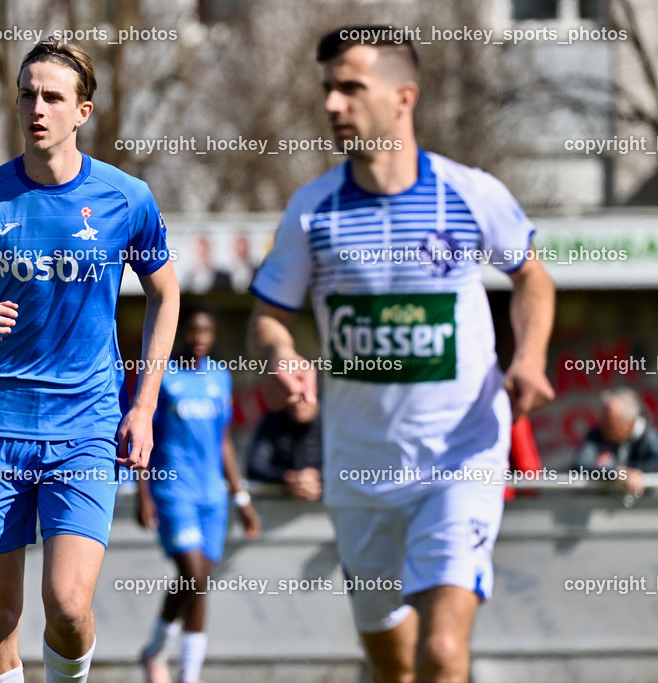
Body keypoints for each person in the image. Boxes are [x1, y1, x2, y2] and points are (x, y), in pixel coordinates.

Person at [247, 26, 555, 683]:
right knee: (393, 666)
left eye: (350, 88)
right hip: (359, 472)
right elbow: (268, 316)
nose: (332, 104)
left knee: (441, 653)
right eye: (328, 89)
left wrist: (529, 358)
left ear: (403, 97)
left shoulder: (470, 193)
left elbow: (532, 277)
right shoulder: (313, 212)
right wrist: (280, 353)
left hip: (460, 459)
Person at [0, 39, 179, 683]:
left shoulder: (126, 198)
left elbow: (166, 294)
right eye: (27, 94)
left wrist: (143, 406)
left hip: (84, 427)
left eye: (52, 97)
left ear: (82, 111)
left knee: (69, 608)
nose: (36, 107)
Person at [136, 301, 261, 683]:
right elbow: (143, 435)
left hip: (213, 498)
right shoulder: (162, 376)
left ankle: (186, 674)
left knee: (199, 586)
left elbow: (224, 441)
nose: (199, 338)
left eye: (206, 330)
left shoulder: (220, 377)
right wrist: (143, 494)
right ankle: (156, 651)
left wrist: (241, 498)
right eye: (192, 330)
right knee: (192, 576)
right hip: (174, 491)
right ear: (180, 333)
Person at [573, 387, 658, 497]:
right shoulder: (596, 434)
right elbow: (581, 465)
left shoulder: (649, 437)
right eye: (603, 419)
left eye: (610, 423)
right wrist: (616, 472)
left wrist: (635, 471)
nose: (604, 427)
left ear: (629, 423)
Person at [246, 399, 323, 502]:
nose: (299, 404)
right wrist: (288, 477)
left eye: (304, 398)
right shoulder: (273, 421)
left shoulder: (331, 422)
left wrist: (318, 477)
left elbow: (343, 468)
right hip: (278, 505)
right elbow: (255, 466)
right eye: (295, 398)